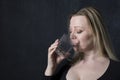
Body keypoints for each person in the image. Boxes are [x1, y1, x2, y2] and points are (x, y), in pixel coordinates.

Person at [44, 7, 120, 80]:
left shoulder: (116, 70)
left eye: (79, 31)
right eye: (70, 31)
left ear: (97, 33)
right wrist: (50, 68)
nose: (71, 36)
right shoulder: (64, 67)